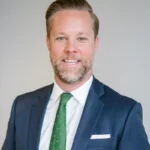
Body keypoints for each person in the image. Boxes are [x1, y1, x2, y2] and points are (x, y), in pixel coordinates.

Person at [2, 0, 150, 149]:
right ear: (48, 42)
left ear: (95, 43)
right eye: (61, 38)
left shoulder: (125, 113)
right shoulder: (22, 108)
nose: (71, 49)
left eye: (81, 38)